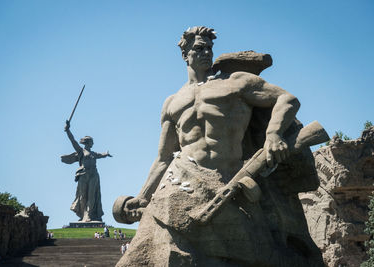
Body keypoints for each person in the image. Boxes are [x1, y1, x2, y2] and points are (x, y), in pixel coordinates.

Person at [115, 26, 324, 266]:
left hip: (228, 181)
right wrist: (142, 196)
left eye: (209, 48)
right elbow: (163, 157)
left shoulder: (235, 83)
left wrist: (274, 133)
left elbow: (287, 99)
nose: (206, 53)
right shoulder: (172, 102)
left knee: (258, 253)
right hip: (178, 184)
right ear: (185, 55)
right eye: (199, 48)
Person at [62, 120, 112, 222]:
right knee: (83, 196)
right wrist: (68, 130)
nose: (93, 143)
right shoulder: (81, 151)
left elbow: (101, 155)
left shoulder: (93, 153)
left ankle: (89, 215)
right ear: (87, 142)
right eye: (91, 141)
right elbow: (73, 142)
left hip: (93, 175)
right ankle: (83, 214)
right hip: (83, 174)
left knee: (92, 195)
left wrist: (106, 154)